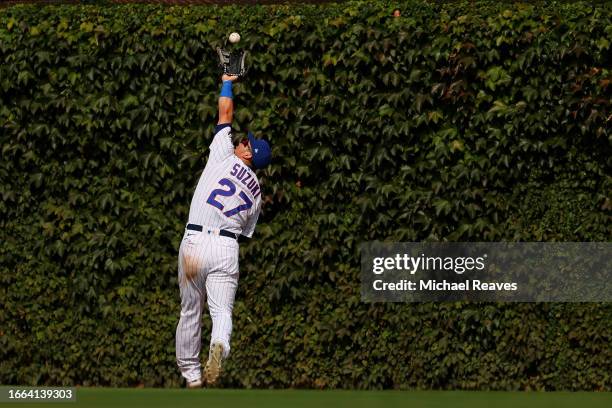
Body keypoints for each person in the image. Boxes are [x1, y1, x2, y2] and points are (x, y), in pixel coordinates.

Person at [175, 74, 271, 388]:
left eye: (248, 144)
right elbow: (245, 230)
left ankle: (191, 377)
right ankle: (220, 347)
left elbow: (225, 113)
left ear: (247, 155)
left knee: (191, 310)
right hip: (227, 248)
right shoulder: (256, 191)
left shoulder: (222, 154)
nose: (244, 141)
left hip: (196, 241)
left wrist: (227, 81)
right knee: (222, 311)